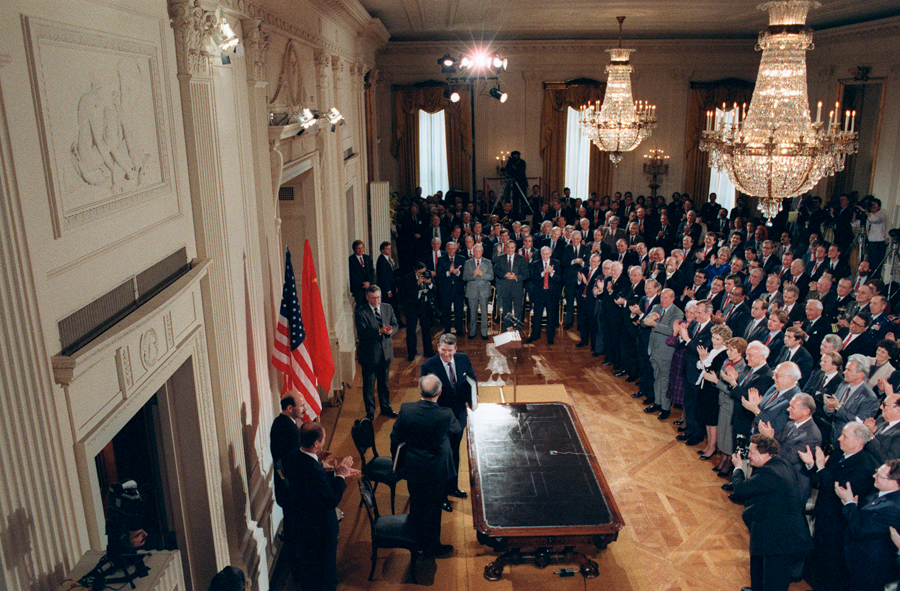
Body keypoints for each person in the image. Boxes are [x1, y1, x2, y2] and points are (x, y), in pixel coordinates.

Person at [799, 422, 878, 591]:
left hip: (838, 526)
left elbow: (837, 488)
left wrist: (820, 468)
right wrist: (813, 465)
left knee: (833, 568)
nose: (840, 439)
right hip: (824, 517)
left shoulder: (864, 466)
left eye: (845, 436)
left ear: (858, 441)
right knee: (820, 560)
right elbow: (823, 478)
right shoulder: (839, 454)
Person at [729, 434, 813, 591]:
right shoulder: (781, 463)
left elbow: (741, 490)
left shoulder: (770, 474)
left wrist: (738, 467)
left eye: (752, 453)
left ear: (765, 454)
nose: (749, 456)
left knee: (774, 580)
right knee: (758, 563)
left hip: (781, 538)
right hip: (768, 526)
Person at [282, 422, 359, 591]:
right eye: (323, 438)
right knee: (325, 570)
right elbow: (331, 500)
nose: (324, 441)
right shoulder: (314, 469)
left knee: (312, 567)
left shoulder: (295, 456)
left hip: (304, 524)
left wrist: (331, 470)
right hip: (321, 529)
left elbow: (310, 486)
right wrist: (340, 476)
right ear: (316, 443)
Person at [390, 374, 461, 557]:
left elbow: (395, 438)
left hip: (413, 467)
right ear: (440, 392)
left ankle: (417, 540)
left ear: (419, 390)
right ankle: (432, 547)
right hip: (436, 469)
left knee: (416, 502)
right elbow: (456, 431)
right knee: (434, 507)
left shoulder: (406, 409)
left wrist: (400, 462)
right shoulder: (445, 413)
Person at [421, 333, 478, 511]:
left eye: (450, 351)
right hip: (440, 419)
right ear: (438, 348)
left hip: (459, 416)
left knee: (454, 453)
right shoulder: (428, 366)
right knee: (442, 458)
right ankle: (441, 496)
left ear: (456, 349)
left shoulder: (463, 359)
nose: (447, 354)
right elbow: (426, 392)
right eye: (443, 350)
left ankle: (452, 487)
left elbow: (472, 378)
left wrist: (473, 398)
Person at [837, 459, 900, 591]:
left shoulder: (893, 507)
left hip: (871, 569)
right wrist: (852, 506)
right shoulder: (879, 493)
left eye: (879, 476)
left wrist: (849, 503)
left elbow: (861, 529)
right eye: (876, 472)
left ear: (894, 482)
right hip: (859, 562)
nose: (873, 476)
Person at [757, 392, 822, 501]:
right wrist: (769, 434)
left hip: (793, 484)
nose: (788, 409)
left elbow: (788, 459)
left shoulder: (812, 435)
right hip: (780, 473)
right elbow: (778, 440)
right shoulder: (791, 423)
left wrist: (770, 437)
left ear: (805, 411)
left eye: (792, 407)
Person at [354, 286, 399, 419]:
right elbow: (363, 333)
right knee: (369, 385)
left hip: (385, 353)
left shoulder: (387, 308)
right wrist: (380, 331)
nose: (376, 301)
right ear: (367, 297)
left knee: (384, 383)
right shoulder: (361, 312)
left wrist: (391, 331)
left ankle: (386, 407)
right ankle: (370, 413)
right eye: (373, 298)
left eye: (378, 297)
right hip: (369, 355)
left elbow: (395, 324)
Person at [270, 393, 305, 508]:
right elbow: (294, 461)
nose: (304, 409)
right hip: (291, 489)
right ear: (290, 408)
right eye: (301, 406)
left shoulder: (280, 422)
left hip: (285, 487)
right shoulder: (288, 428)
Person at [400, 262, 437, 361]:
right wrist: (417, 283)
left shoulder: (428, 274)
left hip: (424, 306)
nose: (423, 274)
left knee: (426, 329)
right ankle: (412, 353)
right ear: (416, 271)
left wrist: (429, 283)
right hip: (412, 308)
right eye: (420, 273)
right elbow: (406, 294)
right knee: (411, 330)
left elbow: (435, 289)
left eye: (424, 271)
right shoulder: (408, 278)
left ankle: (428, 351)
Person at [526, 246, 562, 345]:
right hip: (539, 294)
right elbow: (533, 278)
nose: (545, 256)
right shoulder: (535, 263)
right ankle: (535, 335)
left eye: (547, 254)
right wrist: (544, 272)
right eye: (543, 254)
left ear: (550, 254)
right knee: (537, 316)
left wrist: (552, 273)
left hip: (552, 294)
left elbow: (559, 279)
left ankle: (550, 337)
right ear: (541, 254)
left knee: (551, 316)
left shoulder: (556, 263)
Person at [493, 239, 530, 330]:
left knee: (518, 311)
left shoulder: (520, 258)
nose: (510, 250)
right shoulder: (500, 258)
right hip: (505, 288)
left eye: (512, 248)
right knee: (506, 311)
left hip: (517, 288)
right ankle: (507, 330)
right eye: (508, 248)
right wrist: (504, 275)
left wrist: (516, 277)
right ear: (506, 248)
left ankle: (517, 331)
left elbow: (526, 274)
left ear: (515, 248)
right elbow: (496, 270)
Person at [463, 244, 493, 339]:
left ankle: (484, 333)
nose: (477, 253)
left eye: (479, 251)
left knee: (484, 313)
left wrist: (481, 274)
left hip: (484, 291)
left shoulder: (488, 262)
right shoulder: (468, 263)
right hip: (472, 291)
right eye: (475, 251)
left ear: (482, 252)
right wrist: (474, 275)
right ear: (473, 252)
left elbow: (491, 276)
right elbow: (465, 277)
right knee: (472, 312)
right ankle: (473, 332)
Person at [436, 240, 466, 335]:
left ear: (456, 249)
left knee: (459, 311)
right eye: (449, 248)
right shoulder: (441, 259)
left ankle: (459, 330)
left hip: (458, 290)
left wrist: (458, 273)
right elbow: (439, 275)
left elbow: (465, 274)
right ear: (446, 249)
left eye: (453, 248)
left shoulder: (462, 259)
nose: (451, 250)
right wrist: (449, 272)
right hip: (446, 290)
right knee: (446, 311)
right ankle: (447, 330)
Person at [864, 391, 900, 462]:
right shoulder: (881, 419)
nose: (880, 407)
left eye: (884, 405)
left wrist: (871, 437)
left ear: (898, 410)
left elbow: (889, 460)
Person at [348, 240, 375, 308]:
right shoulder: (351, 260)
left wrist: (369, 282)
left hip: (368, 288)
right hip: (358, 289)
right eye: (358, 248)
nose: (360, 250)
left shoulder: (367, 258)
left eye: (362, 248)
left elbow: (372, 271)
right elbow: (352, 275)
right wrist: (362, 284)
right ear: (354, 249)